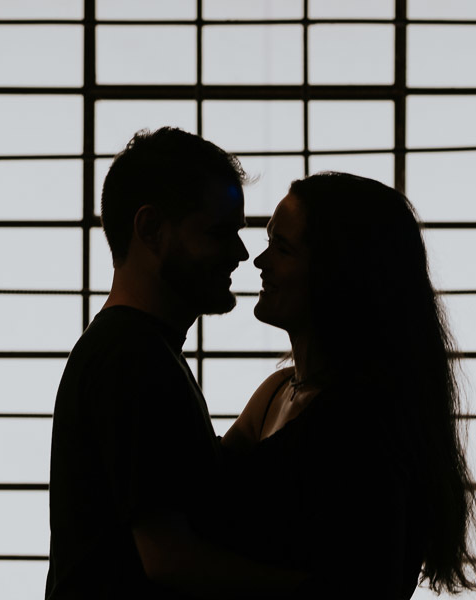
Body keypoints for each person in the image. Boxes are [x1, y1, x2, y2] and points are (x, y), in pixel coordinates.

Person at [44, 127, 308, 599]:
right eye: (218, 232)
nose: (241, 253)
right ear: (150, 230)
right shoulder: (131, 358)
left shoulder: (136, 349)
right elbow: (170, 560)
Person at [219, 172, 476, 598]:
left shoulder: (368, 425)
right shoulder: (277, 391)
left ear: (337, 275)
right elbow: (199, 485)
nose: (259, 262)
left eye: (282, 248)